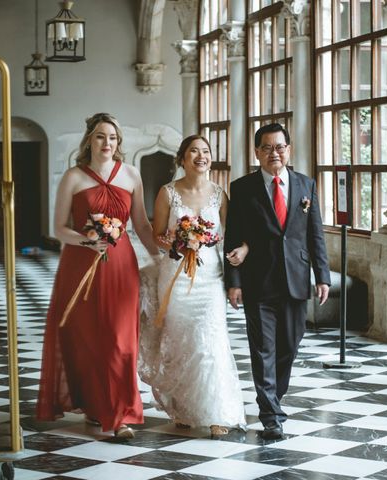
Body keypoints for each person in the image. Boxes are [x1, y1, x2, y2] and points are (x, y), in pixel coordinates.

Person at [36, 113, 160, 439]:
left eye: (113, 138)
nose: (108, 143)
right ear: (89, 140)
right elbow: (59, 228)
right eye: (101, 137)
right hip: (79, 265)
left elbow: (143, 225)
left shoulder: (132, 175)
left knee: (121, 343)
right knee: (87, 341)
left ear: (119, 143)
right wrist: (88, 239)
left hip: (120, 266)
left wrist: (161, 258)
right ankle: (94, 405)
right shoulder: (73, 178)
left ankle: (119, 417)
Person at [224, 123, 331, 440]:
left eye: (280, 146)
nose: (275, 153)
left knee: (288, 347)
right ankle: (270, 413)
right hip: (258, 281)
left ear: (289, 149)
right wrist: (234, 281)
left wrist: (322, 276)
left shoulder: (305, 185)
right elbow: (234, 236)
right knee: (262, 350)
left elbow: (315, 235)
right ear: (257, 152)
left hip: (296, 280)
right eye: (267, 147)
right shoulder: (243, 188)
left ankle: (274, 399)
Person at [138, 135, 247, 437]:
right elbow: (157, 234)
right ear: (183, 159)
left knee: (210, 343)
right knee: (180, 342)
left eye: (206, 151)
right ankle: (183, 409)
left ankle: (216, 413)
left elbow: (231, 233)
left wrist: (226, 247)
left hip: (210, 278)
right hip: (175, 276)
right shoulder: (168, 193)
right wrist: (178, 241)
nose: (201, 156)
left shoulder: (219, 195)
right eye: (194, 152)